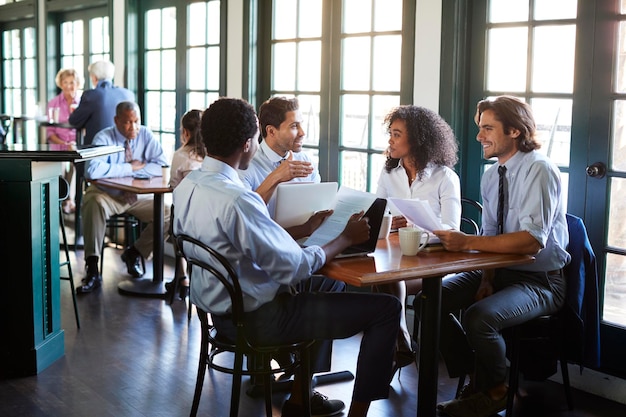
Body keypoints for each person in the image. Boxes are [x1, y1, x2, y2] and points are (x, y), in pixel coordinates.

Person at [173, 97, 401, 417]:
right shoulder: (238, 198)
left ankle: (299, 396)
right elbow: (295, 268)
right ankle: (358, 414)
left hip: (218, 315)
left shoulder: (188, 186)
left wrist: (307, 228)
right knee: (387, 309)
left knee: (326, 289)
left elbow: (242, 243)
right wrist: (344, 239)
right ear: (248, 143)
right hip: (259, 322)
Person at [427, 95, 570, 417]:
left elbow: (531, 242)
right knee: (429, 301)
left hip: (540, 280)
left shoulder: (540, 170)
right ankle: (476, 378)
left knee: (479, 317)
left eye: (488, 128)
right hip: (497, 271)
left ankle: (494, 391)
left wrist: (466, 244)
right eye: (480, 128)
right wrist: (487, 277)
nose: (479, 137)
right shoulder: (493, 175)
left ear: (515, 131)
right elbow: (491, 232)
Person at [375, 105, 461, 377]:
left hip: (435, 262)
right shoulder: (390, 173)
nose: (390, 140)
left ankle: (398, 343)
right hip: (398, 256)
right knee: (386, 279)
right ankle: (399, 341)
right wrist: (389, 223)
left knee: (388, 281)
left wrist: (416, 226)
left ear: (418, 139)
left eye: (397, 134)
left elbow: (452, 228)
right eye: (390, 133)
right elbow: (377, 213)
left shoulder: (445, 177)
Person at [77, 101, 169, 294]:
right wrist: (130, 168)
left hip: (137, 196)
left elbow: (161, 165)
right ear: (116, 120)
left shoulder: (145, 134)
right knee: (93, 202)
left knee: (169, 213)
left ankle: (134, 253)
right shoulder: (104, 137)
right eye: (128, 122)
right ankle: (92, 268)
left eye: (136, 121)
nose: (134, 127)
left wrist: (138, 172)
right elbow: (92, 170)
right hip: (108, 195)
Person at [239, 96, 330, 240]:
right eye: (294, 126)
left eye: (301, 124)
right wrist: (276, 176)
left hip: (307, 243)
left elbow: (317, 208)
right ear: (271, 132)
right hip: (265, 247)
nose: (302, 133)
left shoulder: (306, 161)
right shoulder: (246, 165)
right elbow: (245, 218)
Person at [165, 109, 206, 300]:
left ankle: (182, 278)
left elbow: (174, 185)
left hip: (185, 216)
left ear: (186, 132)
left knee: (176, 214)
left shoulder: (181, 155)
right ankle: (191, 279)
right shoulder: (211, 156)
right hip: (205, 215)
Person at [68, 60, 135, 146]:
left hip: (96, 151)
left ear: (94, 77)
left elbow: (74, 121)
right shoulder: (128, 94)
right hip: (124, 149)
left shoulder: (90, 95)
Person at [46, 68, 83, 214]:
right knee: (58, 168)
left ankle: (70, 201)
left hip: (75, 145)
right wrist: (63, 144)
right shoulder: (53, 103)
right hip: (58, 144)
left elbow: (84, 128)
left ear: (78, 83)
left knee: (76, 167)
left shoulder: (82, 103)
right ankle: (58, 201)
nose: (69, 86)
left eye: (72, 82)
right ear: (60, 84)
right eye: (65, 82)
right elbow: (50, 132)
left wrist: (73, 144)